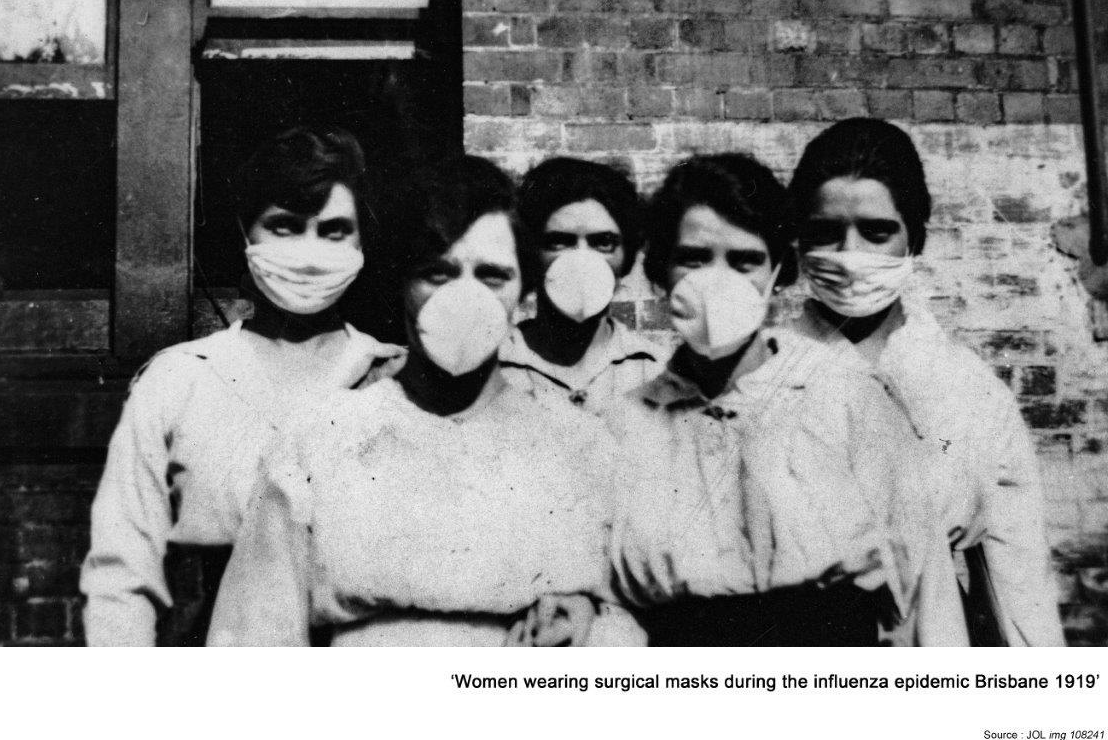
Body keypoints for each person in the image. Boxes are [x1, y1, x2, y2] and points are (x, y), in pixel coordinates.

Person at [206, 156, 643, 647]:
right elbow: (252, 636)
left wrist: (589, 621)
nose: (465, 297)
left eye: (493, 276)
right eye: (438, 273)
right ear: (401, 283)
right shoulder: (321, 441)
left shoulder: (578, 445)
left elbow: (624, 624)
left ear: (524, 290)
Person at [605, 153, 968, 645]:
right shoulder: (622, 424)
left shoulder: (844, 395)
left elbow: (924, 584)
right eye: (693, 258)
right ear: (659, 272)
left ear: (777, 272)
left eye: (745, 261)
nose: (718, 281)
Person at [80, 126, 405, 646]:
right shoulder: (179, 381)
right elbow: (122, 575)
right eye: (284, 227)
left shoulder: (394, 380)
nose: (309, 253)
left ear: (362, 237)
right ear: (245, 234)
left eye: (334, 230)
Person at [785, 117, 1064, 646]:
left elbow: (1020, 583)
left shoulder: (968, 389)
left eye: (876, 231)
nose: (851, 256)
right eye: (826, 232)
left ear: (916, 239)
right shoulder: (760, 378)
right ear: (798, 242)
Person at [499, 157, 665, 416]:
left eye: (603, 242)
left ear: (627, 256)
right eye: (559, 242)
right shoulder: (494, 370)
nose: (581, 260)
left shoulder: (655, 370)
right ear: (530, 252)